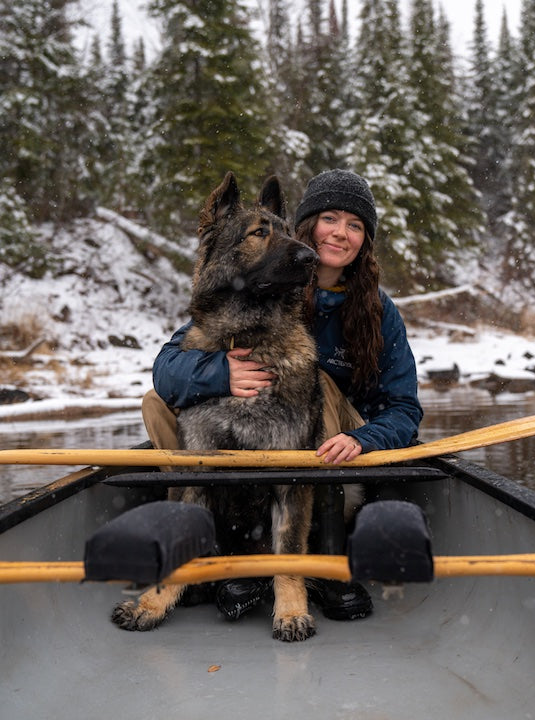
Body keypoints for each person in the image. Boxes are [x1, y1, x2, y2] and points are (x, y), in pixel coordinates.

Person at [142, 169, 423, 621]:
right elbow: (169, 364)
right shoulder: (256, 285)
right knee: (161, 401)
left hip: (336, 455)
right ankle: (213, 540)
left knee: (319, 380)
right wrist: (220, 372)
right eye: (330, 218)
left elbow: (405, 408)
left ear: (364, 241)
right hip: (265, 444)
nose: (341, 233)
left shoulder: (376, 309)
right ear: (306, 225)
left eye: (355, 225)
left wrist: (365, 439)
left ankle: (323, 563)